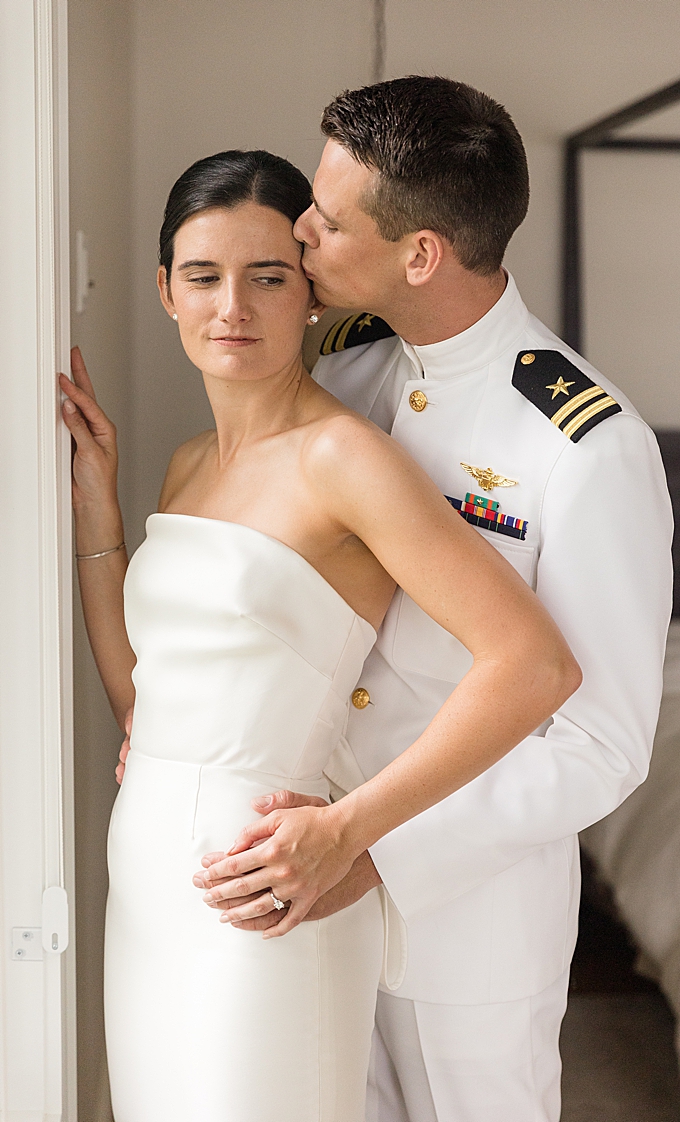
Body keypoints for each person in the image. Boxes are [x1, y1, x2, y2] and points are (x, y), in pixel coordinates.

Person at [188, 78, 675, 1120]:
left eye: (328, 217)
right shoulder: (347, 374)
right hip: (307, 880)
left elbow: (603, 741)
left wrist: (375, 849)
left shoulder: (585, 445)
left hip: (470, 917)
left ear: (421, 254)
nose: (301, 230)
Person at [63, 149, 581, 1121]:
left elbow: (534, 665)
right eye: (205, 277)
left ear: (310, 294)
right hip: (144, 877)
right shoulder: (185, 466)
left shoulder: (347, 457)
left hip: (266, 879)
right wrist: (101, 518)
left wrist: (349, 830)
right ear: (165, 291)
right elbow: (144, 702)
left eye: (268, 278)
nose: (234, 309)